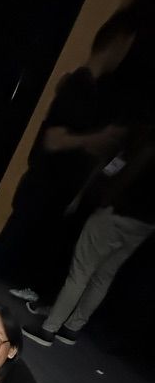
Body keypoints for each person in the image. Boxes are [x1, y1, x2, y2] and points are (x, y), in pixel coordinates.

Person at [0, 12, 135, 309]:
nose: (126, 54)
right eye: (127, 45)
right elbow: (52, 139)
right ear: (116, 42)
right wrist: (94, 139)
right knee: (12, 235)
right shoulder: (79, 85)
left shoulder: (88, 89)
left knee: (23, 238)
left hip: (55, 184)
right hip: (43, 181)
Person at [24, 136, 155, 347]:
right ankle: (72, 328)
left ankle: (49, 329)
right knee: (104, 276)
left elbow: (127, 173)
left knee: (81, 271)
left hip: (117, 213)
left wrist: (107, 200)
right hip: (144, 223)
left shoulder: (148, 145)